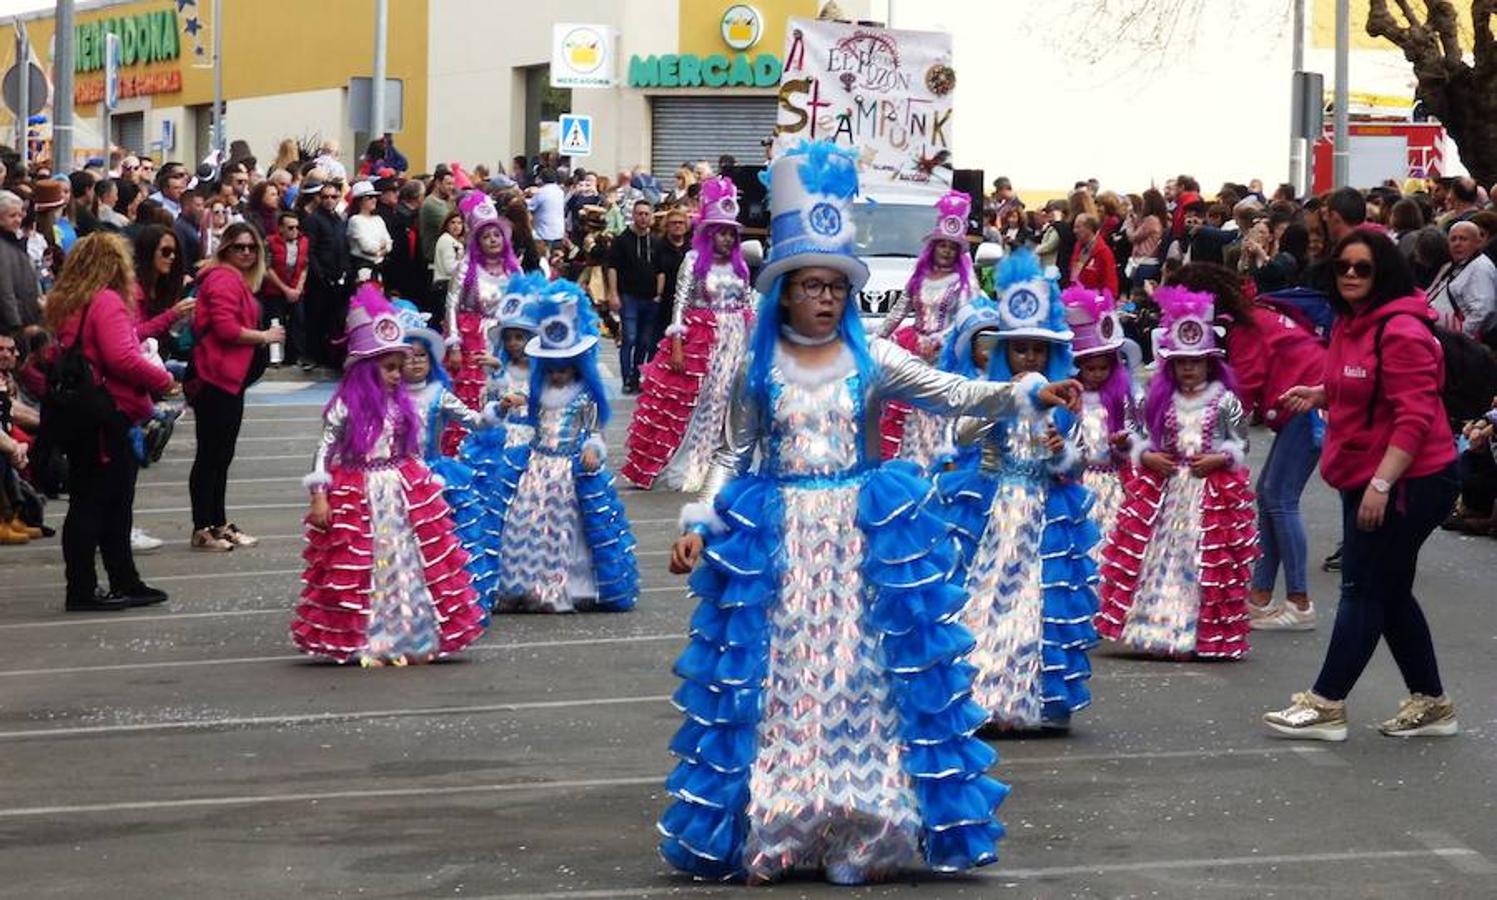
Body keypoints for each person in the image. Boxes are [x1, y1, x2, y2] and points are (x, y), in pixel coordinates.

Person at [658, 142, 1083, 885]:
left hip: (857, 543)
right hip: (782, 546)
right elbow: (731, 455)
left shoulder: (873, 361)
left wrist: (1023, 391)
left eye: (834, 287)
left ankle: (864, 821)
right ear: (784, 293)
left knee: (862, 677)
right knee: (783, 679)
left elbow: (952, 391)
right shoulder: (757, 369)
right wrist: (697, 522)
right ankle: (784, 819)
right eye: (810, 286)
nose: (825, 299)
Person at [1264, 231, 1460, 741]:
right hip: (1370, 473)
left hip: (1411, 479)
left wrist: (1382, 483)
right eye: (1343, 266)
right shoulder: (1351, 321)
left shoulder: (1401, 331)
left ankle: (1326, 703)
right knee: (1388, 590)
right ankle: (1432, 703)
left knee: (1363, 587)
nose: (1350, 274)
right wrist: (1321, 392)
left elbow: (1415, 417)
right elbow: (1363, 382)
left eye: (1363, 268)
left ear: (1384, 273)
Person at [934, 249, 1100, 731]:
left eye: (1038, 350)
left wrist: (1060, 452)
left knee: (1040, 602)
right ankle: (982, 697)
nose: (1029, 358)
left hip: (1043, 516)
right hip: (992, 514)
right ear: (1005, 353)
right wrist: (1007, 401)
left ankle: (1037, 701)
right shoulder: (991, 394)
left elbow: (1079, 461)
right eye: (1020, 349)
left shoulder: (1064, 403)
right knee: (985, 600)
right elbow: (962, 433)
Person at [292, 287, 488, 664]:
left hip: (400, 490)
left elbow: (409, 450)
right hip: (359, 491)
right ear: (367, 369)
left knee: (409, 562)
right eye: (390, 367)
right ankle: (366, 636)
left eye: (399, 366)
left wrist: (425, 485)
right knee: (361, 564)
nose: (398, 375)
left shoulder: (401, 407)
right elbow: (323, 452)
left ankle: (409, 632)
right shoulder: (345, 407)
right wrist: (319, 496)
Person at [1097, 285, 1258, 659]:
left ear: (1209, 364)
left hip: (1206, 494)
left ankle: (1196, 633)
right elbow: (1141, 436)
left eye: (1195, 362)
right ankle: (1157, 628)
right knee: (1161, 558)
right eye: (1182, 362)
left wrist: (1219, 459)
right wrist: (1147, 456)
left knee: (1200, 560)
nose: (1188, 369)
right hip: (1168, 493)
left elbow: (1241, 444)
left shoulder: (1224, 401)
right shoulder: (1161, 399)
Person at [480, 278, 637, 614]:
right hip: (535, 469)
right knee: (527, 525)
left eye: (564, 368)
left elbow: (594, 431)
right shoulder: (537, 392)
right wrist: (503, 404)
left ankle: (568, 585)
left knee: (568, 529)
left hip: (569, 472)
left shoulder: (584, 397)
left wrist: (593, 449)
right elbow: (507, 413)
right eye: (551, 368)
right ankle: (523, 585)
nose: (557, 375)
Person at [45, 234, 175, 611]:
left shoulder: (70, 301)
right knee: (105, 501)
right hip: (107, 413)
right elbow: (122, 358)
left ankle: (115, 580)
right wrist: (163, 379)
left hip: (81, 412)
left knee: (95, 500)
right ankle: (90, 587)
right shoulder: (106, 301)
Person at [620, 177, 753, 491]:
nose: (726, 238)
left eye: (730, 233)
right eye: (720, 231)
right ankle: (692, 462)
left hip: (734, 340)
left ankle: (717, 461)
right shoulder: (693, 261)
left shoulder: (740, 266)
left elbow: (747, 304)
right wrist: (677, 344)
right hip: (701, 340)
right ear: (708, 233)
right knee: (697, 400)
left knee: (728, 400)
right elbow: (679, 303)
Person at [391, 299, 503, 607]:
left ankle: (446, 600)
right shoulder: (387, 396)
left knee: (443, 538)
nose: (415, 362)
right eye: (407, 357)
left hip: (434, 475)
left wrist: (498, 409)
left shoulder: (439, 395)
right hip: (396, 478)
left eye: (421, 356)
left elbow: (476, 421)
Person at [187, 222, 282, 552]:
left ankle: (217, 522)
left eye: (251, 247)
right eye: (239, 246)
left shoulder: (234, 279)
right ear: (226, 248)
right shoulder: (223, 279)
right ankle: (202, 526)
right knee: (211, 455)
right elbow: (226, 329)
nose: (246, 252)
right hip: (214, 379)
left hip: (229, 380)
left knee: (221, 455)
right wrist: (264, 337)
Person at [877, 191, 982, 465]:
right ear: (933, 247)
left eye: (952, 247)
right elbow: (900, 309)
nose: (946, 251)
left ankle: (936, 462)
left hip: (944, 356)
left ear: (958, 252)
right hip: (913, 349)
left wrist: (940, 340)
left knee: (937, 407)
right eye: (942, 245)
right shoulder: (919, 276)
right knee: (909, 408)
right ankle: (911, 462)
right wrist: (877, 338)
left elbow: (967, 317)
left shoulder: (963, 282)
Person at [1062, 284, 1142, 564]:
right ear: (1078, 367)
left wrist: (1123, 442)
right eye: (1091, 368)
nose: (1097, 374)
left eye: (1104, 368)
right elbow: (1066, 438)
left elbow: (1135, 431)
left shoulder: (1120, 397)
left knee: (1112, 540)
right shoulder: (1070, 398)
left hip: (1112, 480)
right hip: (1080, 481)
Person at [443, 192, 519, 454]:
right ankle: (466, 448)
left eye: (496, 235)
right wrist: (453, 344)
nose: (493, 240)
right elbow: (451, 305)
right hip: (473, 338)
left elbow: (525, 302)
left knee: (506, 390)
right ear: (478, 241)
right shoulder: (466, 268)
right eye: (486, 237)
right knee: (472, 395)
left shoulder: (513, 268)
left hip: (506, 339)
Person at [606, 199, 665, 394]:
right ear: (633, 215)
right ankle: (626, 378)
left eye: (646, 214)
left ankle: (636, 376)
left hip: (650, 298)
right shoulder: (622, 240)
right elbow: (612, 267)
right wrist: (613, 293)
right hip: (628, 296)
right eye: (639, 213)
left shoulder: (656, 242)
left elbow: (661, 271)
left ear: (651, 217)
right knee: (629, 338)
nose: (643, 217)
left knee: (644, 341)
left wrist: (659, 294)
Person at [302, 179, 352, 369]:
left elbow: (344, 248)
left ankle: (331, 357)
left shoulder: (339, 219)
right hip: (320, 280)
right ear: (319, 198)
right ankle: (314, 356)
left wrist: (346, 272)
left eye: (333, 196)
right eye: (325, 197)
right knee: (317, 319)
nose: (329, 200)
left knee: (336, 321)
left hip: (339, 279)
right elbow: (310, 251)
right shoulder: (313, 220)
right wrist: (321, 276)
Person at [1426, 221, 1497, 343]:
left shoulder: (1480, 268)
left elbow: (1483, 311)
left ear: (1477, 243)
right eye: (1453, 239)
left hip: (1459, 342)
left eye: (1463, 239)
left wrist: (1461, 338)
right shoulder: (1452, 265)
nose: (1457, 244)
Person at [262, 211, 309, 369]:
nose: (294, 231)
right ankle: (275, 358)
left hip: (296, 289)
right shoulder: (270, 242)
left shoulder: (303, 241)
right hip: (274, 290)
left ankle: (294, 357)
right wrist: (285, 289)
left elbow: (305, 266)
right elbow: (267, 268)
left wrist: (298, 288)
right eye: (290, 228)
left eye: (297, 227)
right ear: (280, 228)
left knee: (298, 322)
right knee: (275, 323)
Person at [0, 191, 42, 332]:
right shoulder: (3, 247)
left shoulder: (16, 243)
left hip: (26, 316)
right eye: (12, 216)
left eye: (19, 215)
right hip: (11, 325)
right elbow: (5, 290)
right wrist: (16, 325)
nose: (18, 220)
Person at [345, 181, 392, 282]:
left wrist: (382, 249)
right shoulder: (355, 220)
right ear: (359, 201)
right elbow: (368, 247)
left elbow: (389, 243)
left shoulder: (378, 219)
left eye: (375, 197)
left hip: (379, 270)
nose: (374, 200)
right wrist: (381, 247)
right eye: (370, 197)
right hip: (363, 272)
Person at [418, 164, 456, 264]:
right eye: (448, 184)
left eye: (453, 184)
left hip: (445, 254)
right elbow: (453, 227)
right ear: (438, 183)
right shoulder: (431, 204)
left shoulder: (446, 201)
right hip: (434, 258)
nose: (451, 187)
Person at [526, 167, 566, 246]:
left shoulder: (541, 192)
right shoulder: (560, 192)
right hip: (559, 232)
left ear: (541, 179)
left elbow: (530, 207)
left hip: (543, 234)